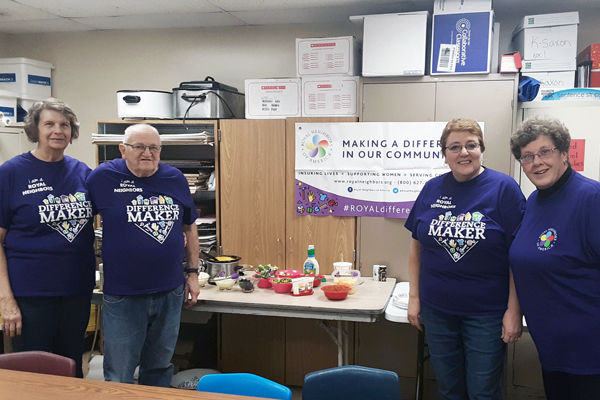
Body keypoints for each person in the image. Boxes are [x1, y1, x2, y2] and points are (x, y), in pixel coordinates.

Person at [405, 118, 525, 399]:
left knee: (483, 391)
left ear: (481, 149)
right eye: (455, 147)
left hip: (486, 313)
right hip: (437, 311)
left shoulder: (504, 189)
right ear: (444, 154)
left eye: (471, 145)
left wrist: (513, 310)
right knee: (449, 389)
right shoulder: (431, 189)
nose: (464, 153)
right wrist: (414, 298)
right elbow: (416, 248)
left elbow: (518, 258)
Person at [87, 123, 200, 387]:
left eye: (154, 147)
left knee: (159, 368)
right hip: (124, 295)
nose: (147, 153)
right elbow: (81, 219)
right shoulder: (102, 177)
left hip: (169, 291)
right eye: (139, 147)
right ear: (123, 150)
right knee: (119, 372)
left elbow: (189, 227)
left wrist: (192, 274)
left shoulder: (174, 178)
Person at [0, 98, 95, 377]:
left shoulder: (82, 172)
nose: (58, 131)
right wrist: (6, 300)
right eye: (49, 124)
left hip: (76, 290)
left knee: (72, 366)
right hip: (31, 294)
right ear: (35, 130)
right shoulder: (11, 173)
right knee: (33, 373)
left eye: (65, 125)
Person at [509, 116, 600, 400]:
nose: (537, 162)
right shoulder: (535, 200)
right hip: (551, 347)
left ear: (564, 153)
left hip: (589, 352)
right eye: (527, 157)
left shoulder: (590, 198)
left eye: (545, 151)